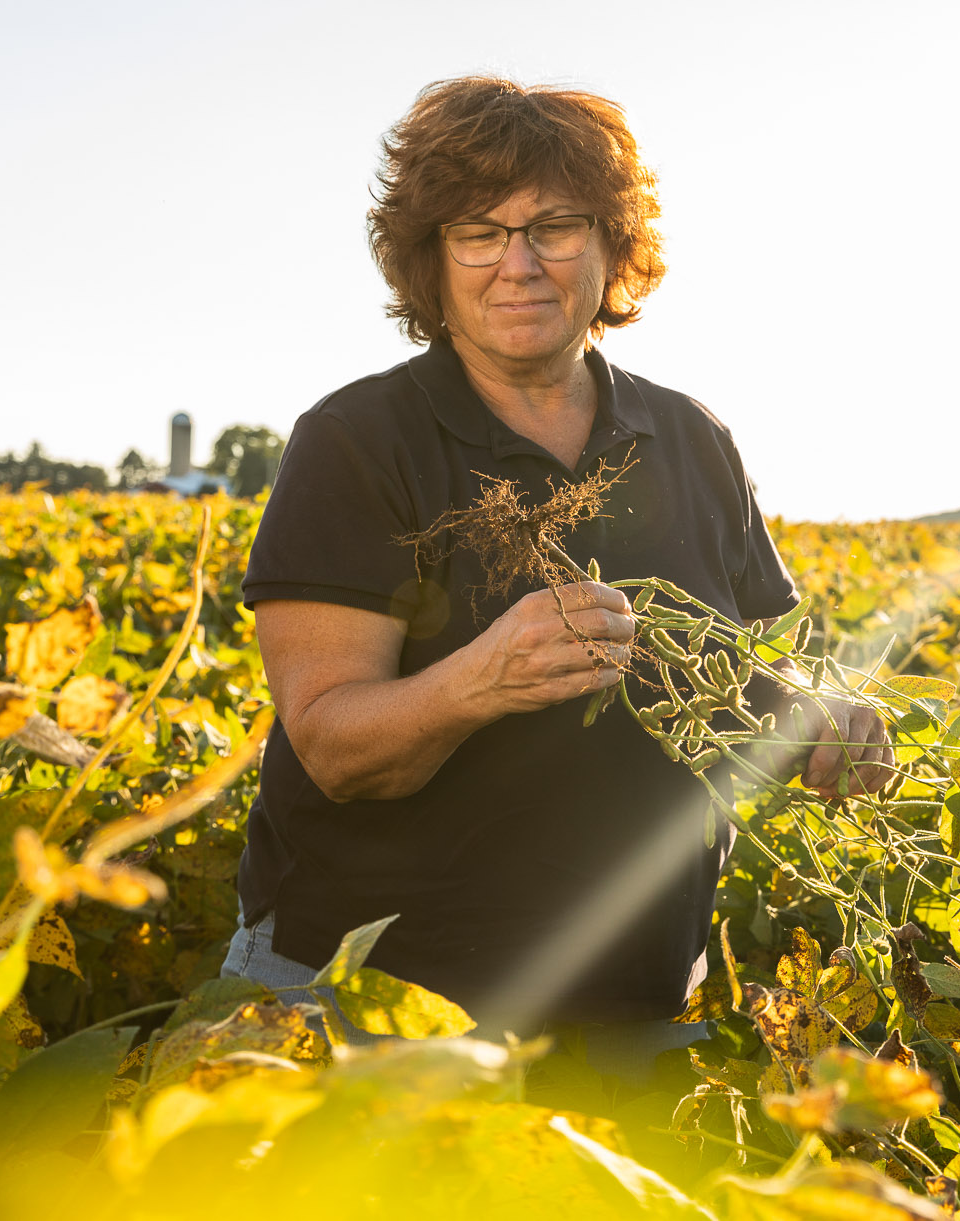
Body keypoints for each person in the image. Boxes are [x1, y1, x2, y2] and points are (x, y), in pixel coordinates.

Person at [221, 77, 891, 1072]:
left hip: (632, 1003)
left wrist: (815, 718)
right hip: (377, 1005)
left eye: (556, 228)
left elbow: (722, 681)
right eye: (477, 233)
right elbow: (333, 745)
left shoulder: (689, 439)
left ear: (614, 247)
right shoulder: (361, 441)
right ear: (431, 262)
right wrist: (478, 680)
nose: (518, 265)